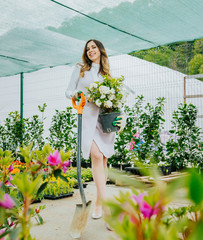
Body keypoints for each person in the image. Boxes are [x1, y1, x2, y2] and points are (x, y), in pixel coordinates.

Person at [65, 39, 125, 220]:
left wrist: (122, 119)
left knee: (104, 160)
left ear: (100, 50)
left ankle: (99, 203)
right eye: (88, 48)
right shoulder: (80, 69)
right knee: (97, 156)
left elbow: (116, 99)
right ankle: (106, 207)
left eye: (94, 47)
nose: (91, 50)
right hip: (87, 118)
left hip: (105, 120)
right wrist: (77, 95)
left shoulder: (106, 73)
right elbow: (68, 91)